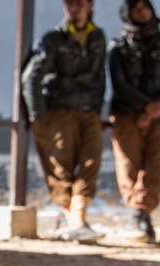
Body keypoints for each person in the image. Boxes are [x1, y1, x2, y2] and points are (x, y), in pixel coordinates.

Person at [22, 0, 106, 242]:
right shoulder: (53, 38)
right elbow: (32, 76)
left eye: (79, 3)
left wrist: (97, 109)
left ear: (90, 5)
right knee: (60, 166)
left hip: (88, 110)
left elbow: (100, 76)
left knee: (92, 161)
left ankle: (78, 217)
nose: (74, 7)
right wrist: (38, 113)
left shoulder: (98, 36)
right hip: (60, 109)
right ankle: (74, 219)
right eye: (69, 3)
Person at [108, 0, 160, 244]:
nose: (142, 10)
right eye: (135, 7)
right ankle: (139, 216)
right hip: (127, 114)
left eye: (144, 5)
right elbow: (119, 84)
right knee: (129, 166)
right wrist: (144, 106)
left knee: (155, 167)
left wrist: (157, 106)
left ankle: (139, 215)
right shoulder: (117, 47)